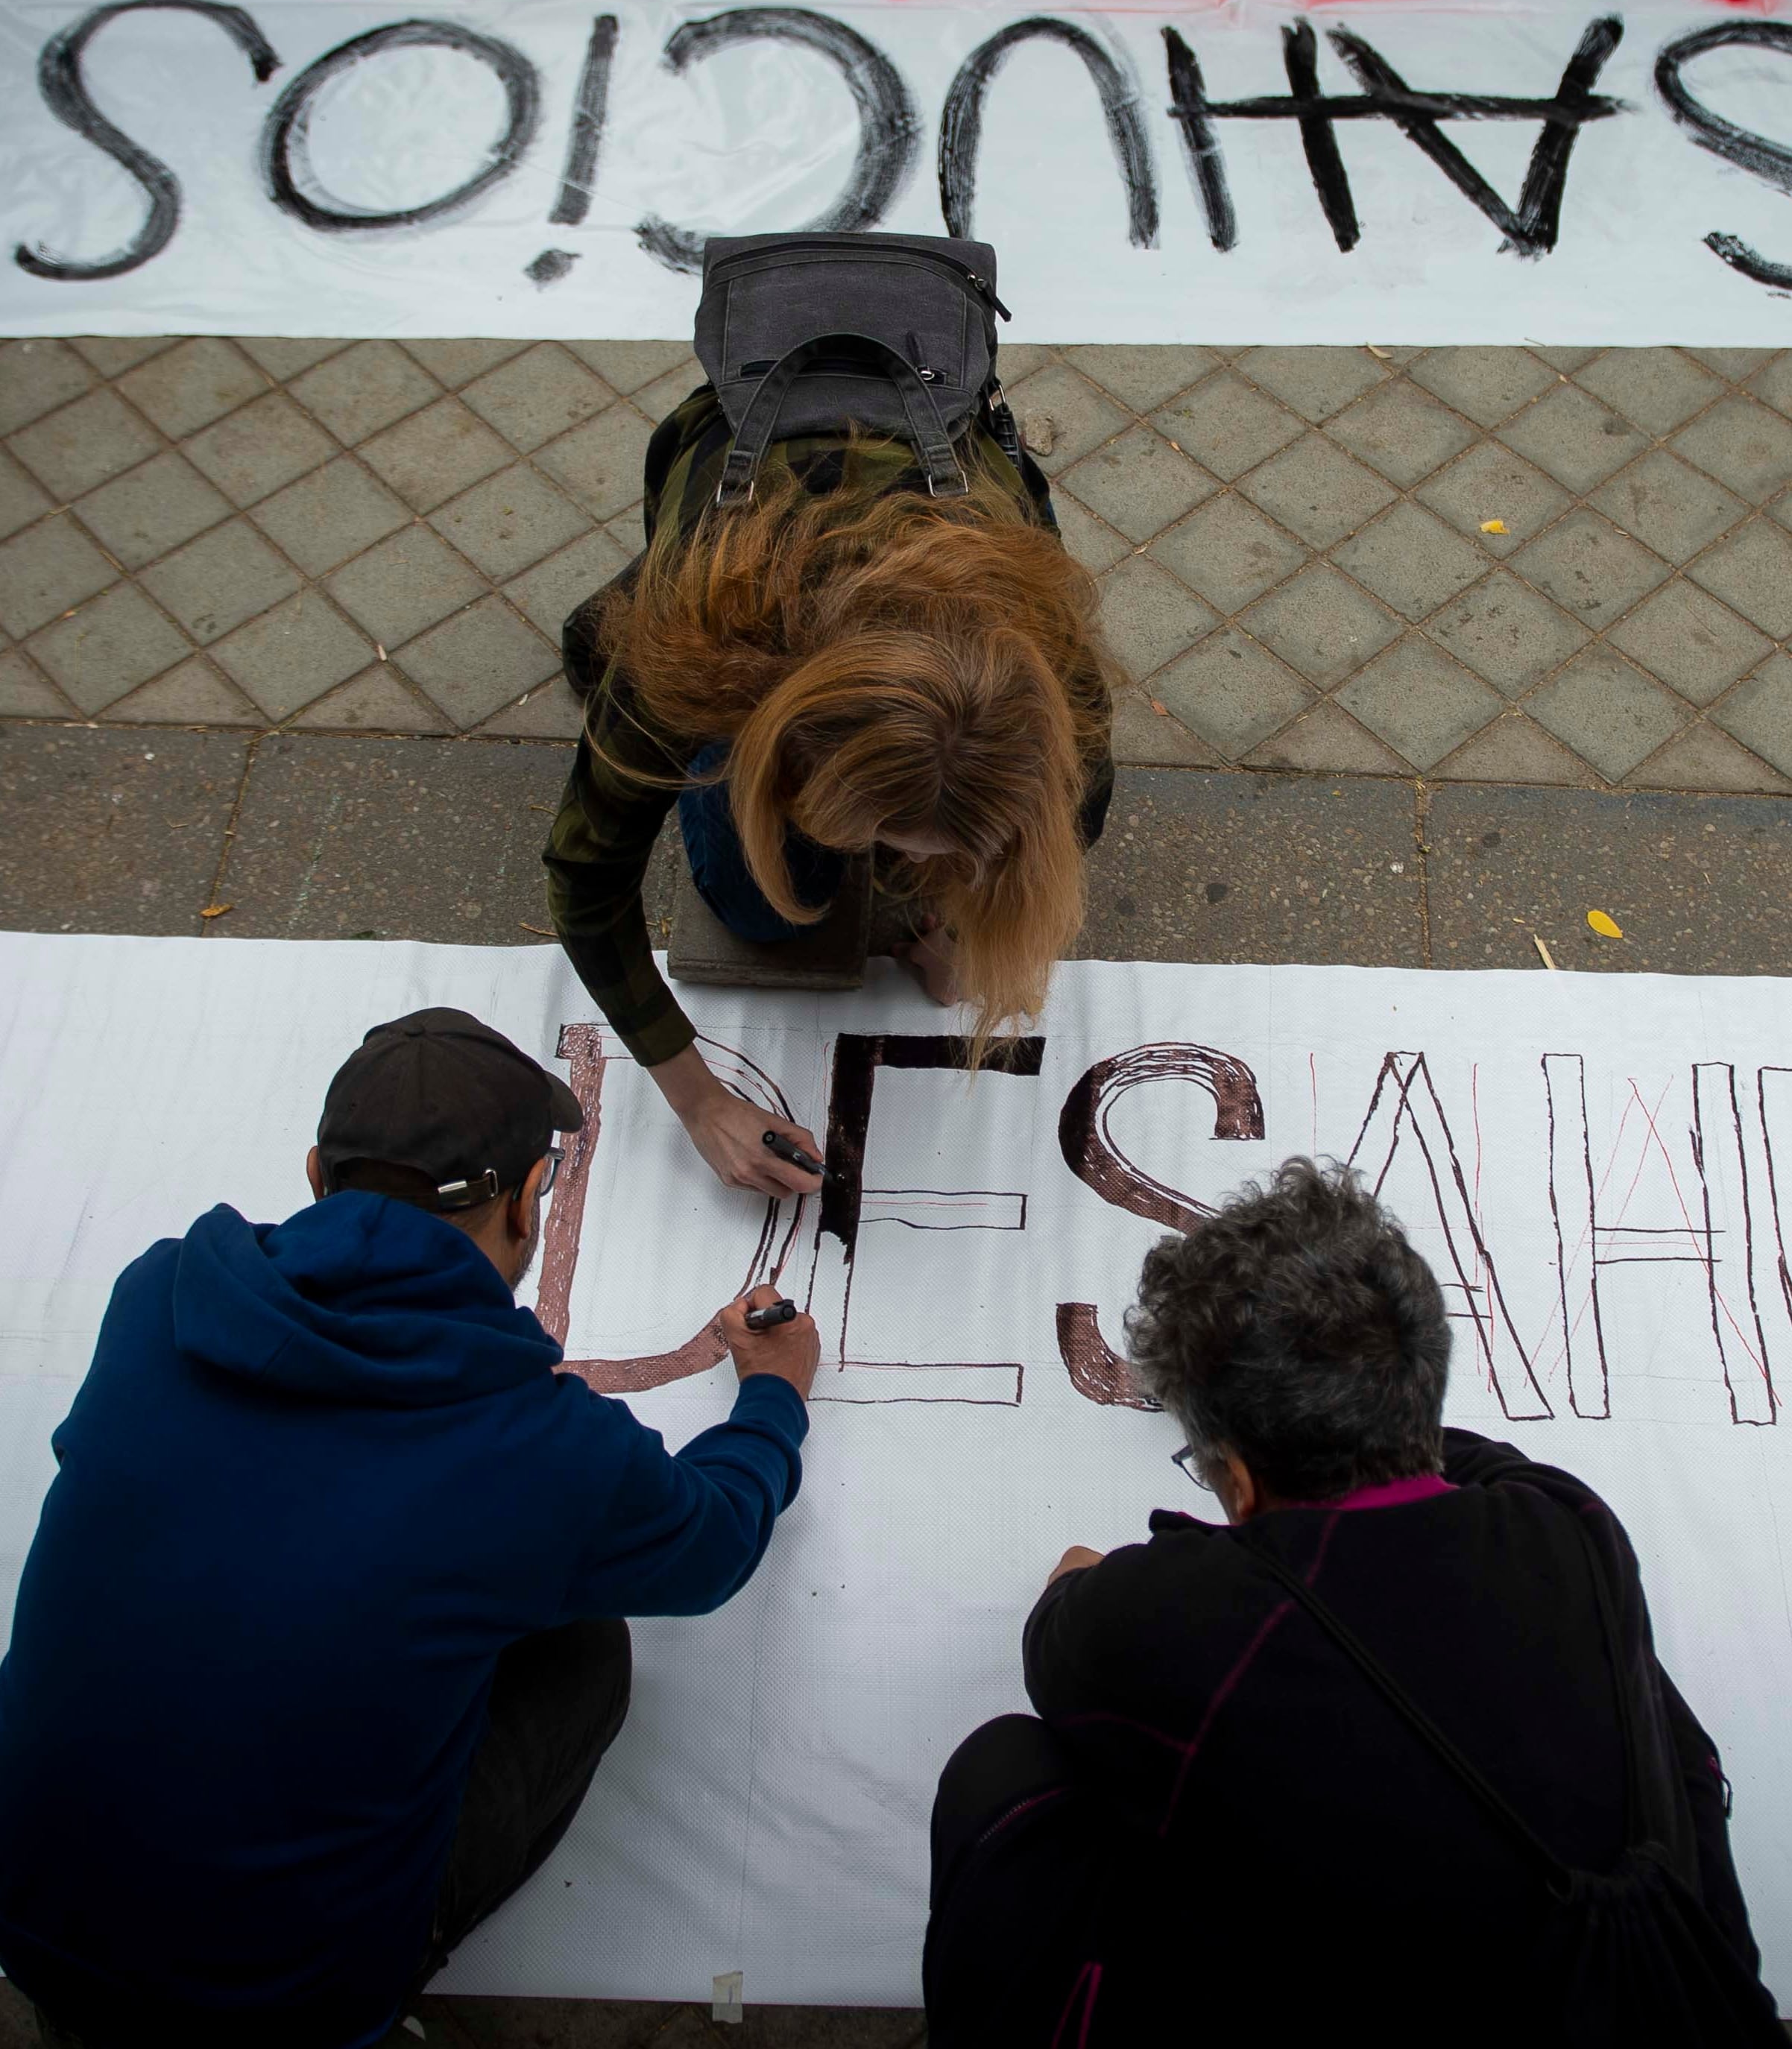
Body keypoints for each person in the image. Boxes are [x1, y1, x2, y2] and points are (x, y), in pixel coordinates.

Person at [0, 1008, 819, 2049]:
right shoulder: (533, 1449)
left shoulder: (159, 1292)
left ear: (314, 1174)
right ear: (531, 1200)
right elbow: (711, 1543)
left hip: (29, 1922)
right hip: (284, 2007)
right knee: (582, 1650)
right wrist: (772, 1400)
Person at [924, 1158, 1781, 2048]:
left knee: (1002, 1769)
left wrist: (1225, 1445)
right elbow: (1475, 1457)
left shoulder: (1190, 1619)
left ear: (1240, 1479)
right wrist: (1333, 1401)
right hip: (1647, 2004)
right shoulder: (1569, 1526)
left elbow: (1059, 1620)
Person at [544, 384, 1113, 1202]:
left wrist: (972, 932)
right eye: (884, 839)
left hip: (945, 472)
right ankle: (623, 608)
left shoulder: (1051, 663)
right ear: (792, 758)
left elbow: (1075, 813)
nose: (897, 868)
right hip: (736, 473)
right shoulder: (687, 667)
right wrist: (700, 1103)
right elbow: (585, 877)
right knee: (766, 909)